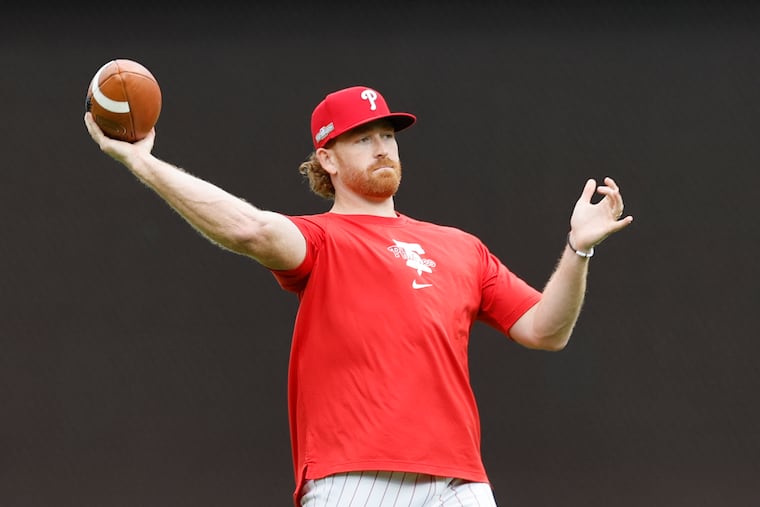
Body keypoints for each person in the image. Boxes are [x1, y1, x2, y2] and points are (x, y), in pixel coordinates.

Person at [84, 85, 633, 506]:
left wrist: (578, 249)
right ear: (327, 158)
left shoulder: (460, 247)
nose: (382, 148)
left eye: (389, 136)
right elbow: (249, 229)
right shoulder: (322, 240)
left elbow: (545, 330)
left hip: (460, 482)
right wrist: (142, 163)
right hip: (355, 477)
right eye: (363, 138)